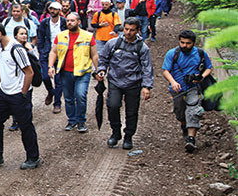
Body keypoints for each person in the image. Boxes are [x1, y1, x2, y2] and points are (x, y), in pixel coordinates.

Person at [0, 22, 42, 170]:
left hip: (18, 94)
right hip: (3, 92)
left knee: (25, 126)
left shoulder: (16, 49)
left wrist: (23, 92)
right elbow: (1, 66)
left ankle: (33, 157)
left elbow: (29, 72)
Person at [95, 18, 153, 150]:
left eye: (132, 30)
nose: (128, 32)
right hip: (115, 81)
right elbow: (103, 59)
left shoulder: (142, 48)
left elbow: (147, 68)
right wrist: (101, 70)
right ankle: (116, 132)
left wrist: (146, 86)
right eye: (126, 29)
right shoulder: (113, 43)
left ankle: (128, 136)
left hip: (133, 83)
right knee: (113, 106)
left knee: (132, 111)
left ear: (137, 30)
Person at [162, 30, 214, 153]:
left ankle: (191, 138)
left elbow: (209, 67)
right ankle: (184, 124)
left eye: (188, 43)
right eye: (182, 42)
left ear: (193, 43)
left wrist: (201, 77)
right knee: (179, 112)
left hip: (193, 88)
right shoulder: (172, 54)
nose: (185, 45)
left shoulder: (200, 53)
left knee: (193, 110)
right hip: (178, 89)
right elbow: (165, 70)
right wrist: (173, 82)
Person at [48, 13, 99, 133]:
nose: (69, 23)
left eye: (72, 21)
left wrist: (98, 70)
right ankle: (72, 120)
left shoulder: (88, 36)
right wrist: (51, 66)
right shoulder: (61, 36)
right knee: (69, 98)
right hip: (65, 72)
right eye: (68, 21)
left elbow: (95, 55)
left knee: (80, 95)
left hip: (82, 72)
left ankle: (81, 121)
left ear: (79, 22)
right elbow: (53, 52)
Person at [36, 2, 66, 114]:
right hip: (47, 52)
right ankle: (51, 91)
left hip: (60, 53)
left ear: (59, 11)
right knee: (45, 76)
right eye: (51, 9)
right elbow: (40, 37)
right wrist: (41, 50)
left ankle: (57, 103)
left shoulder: (64, 22)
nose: (52, 11)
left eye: (55, 9)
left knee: (58, 80)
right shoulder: (44, 23)